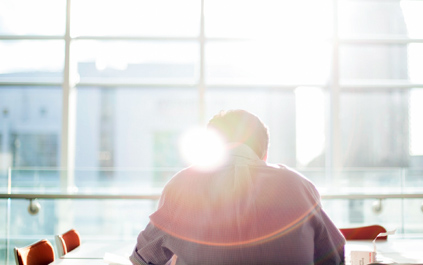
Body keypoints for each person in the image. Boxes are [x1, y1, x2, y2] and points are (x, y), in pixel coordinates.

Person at [130, 109, 345, 265]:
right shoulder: (299, 186)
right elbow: (335, 256)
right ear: (264, 154)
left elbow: (142, 259)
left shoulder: (181, 187)